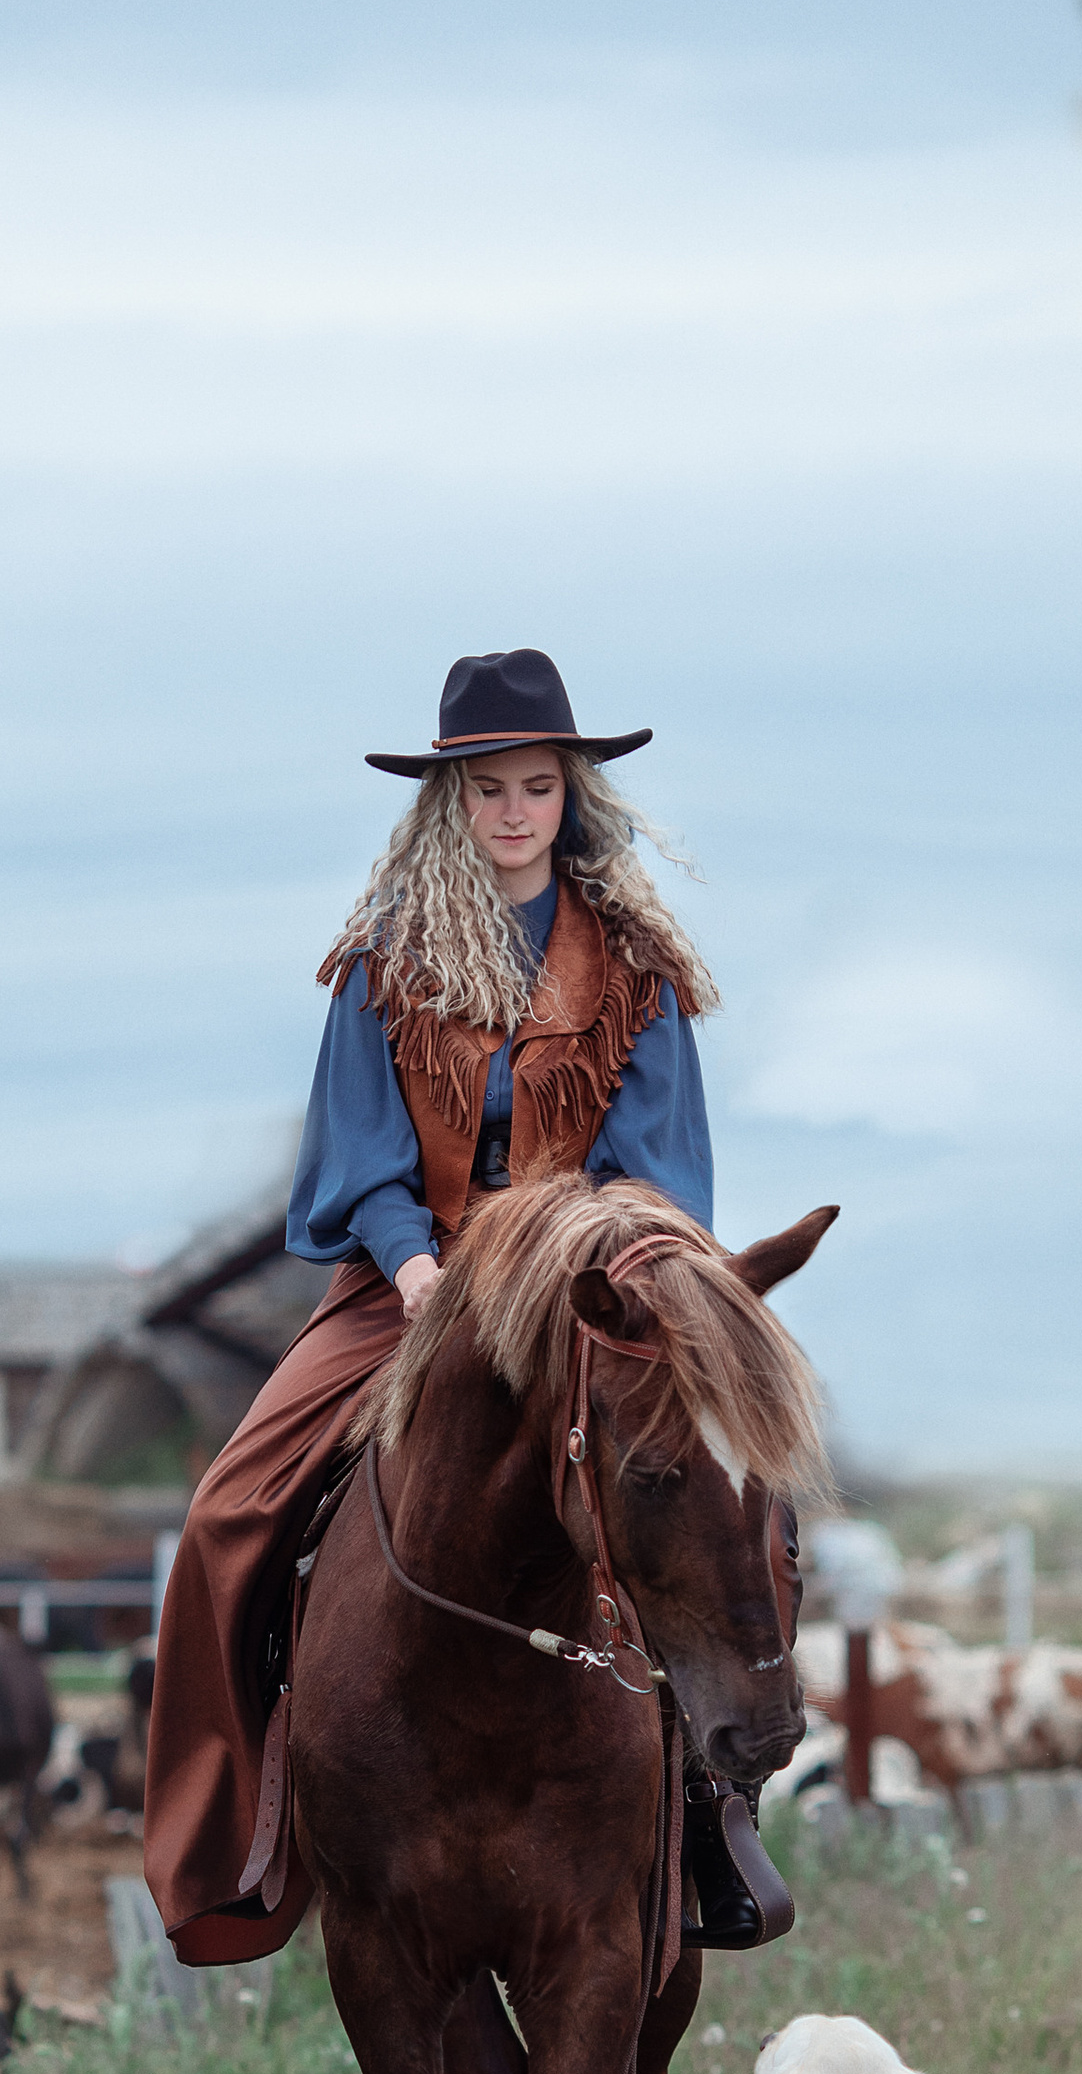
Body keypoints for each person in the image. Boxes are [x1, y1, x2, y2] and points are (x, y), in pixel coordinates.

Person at [143, 647, 718, 1966]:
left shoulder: (638, 970)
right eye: (488, 790)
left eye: (538, 786)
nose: (515, 813)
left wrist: (599, 1274)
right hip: (409, 1285)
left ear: (573, 795)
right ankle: (244, 1833)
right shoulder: (383, 964)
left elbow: (658, 1171)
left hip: (591, 1283)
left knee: (721, 1503)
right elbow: (361, 1163)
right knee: (229, 1512)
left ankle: (713, 1820)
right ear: (447, 802)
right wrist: (418, 1270)